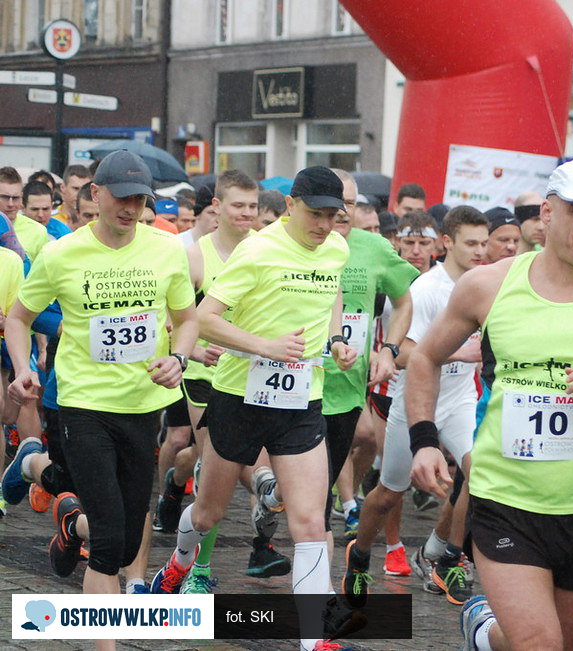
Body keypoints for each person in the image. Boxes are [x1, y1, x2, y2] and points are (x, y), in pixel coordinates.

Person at [398, 159, 573, 648]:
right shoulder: (488, 285)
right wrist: (424, 441)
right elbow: (424, 358)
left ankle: (484, 635)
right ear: (547, 213)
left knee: (557, 643)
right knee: (539, 644)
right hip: (504, 498)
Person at [149, 166, 356, 651]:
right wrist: (265, 346)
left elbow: (332, 292)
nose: (325, 225)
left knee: (311, 522)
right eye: (315, 213)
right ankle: (180, 560)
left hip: (302, 401)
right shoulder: (258, 250)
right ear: (290, 206)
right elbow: (203, 319)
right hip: (239, 398)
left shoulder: (336, 249)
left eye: (333, 216)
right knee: (208, 514)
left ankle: (313, 639)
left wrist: (335, 338)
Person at [3, 150, 197, 651]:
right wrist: (24, 369)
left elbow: (187, 318)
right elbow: (19, 317)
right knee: (109, 542)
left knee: (129, 540)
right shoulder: (62, 253)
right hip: (82, 406)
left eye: (140, 200)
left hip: (143, 406)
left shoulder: (166, 250)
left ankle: (43, 482)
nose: (131, 208)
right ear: (96, 193)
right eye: (122, 197)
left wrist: (178, 357)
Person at [343, 205, 488, 606]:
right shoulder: (426, 289)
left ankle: (449, 558)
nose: (480, 252)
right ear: (447, 242)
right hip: (415, 402)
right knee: (390, 493)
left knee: (479, 473)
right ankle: (359, 558)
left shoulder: (486, 286)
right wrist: (457, 352)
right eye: (471, 244)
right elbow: (404, 354)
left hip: (459, 399)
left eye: (484, 243)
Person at [320, 169, 416, 578]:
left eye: (351, 203)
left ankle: (315, 588)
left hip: (345, 389)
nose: (344, 211)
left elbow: (405, 300)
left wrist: (389, 350)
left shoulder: (373, 247)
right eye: (336, 202)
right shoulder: (286, 245)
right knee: (307, 501)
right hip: (297, 387)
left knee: (317, 501)